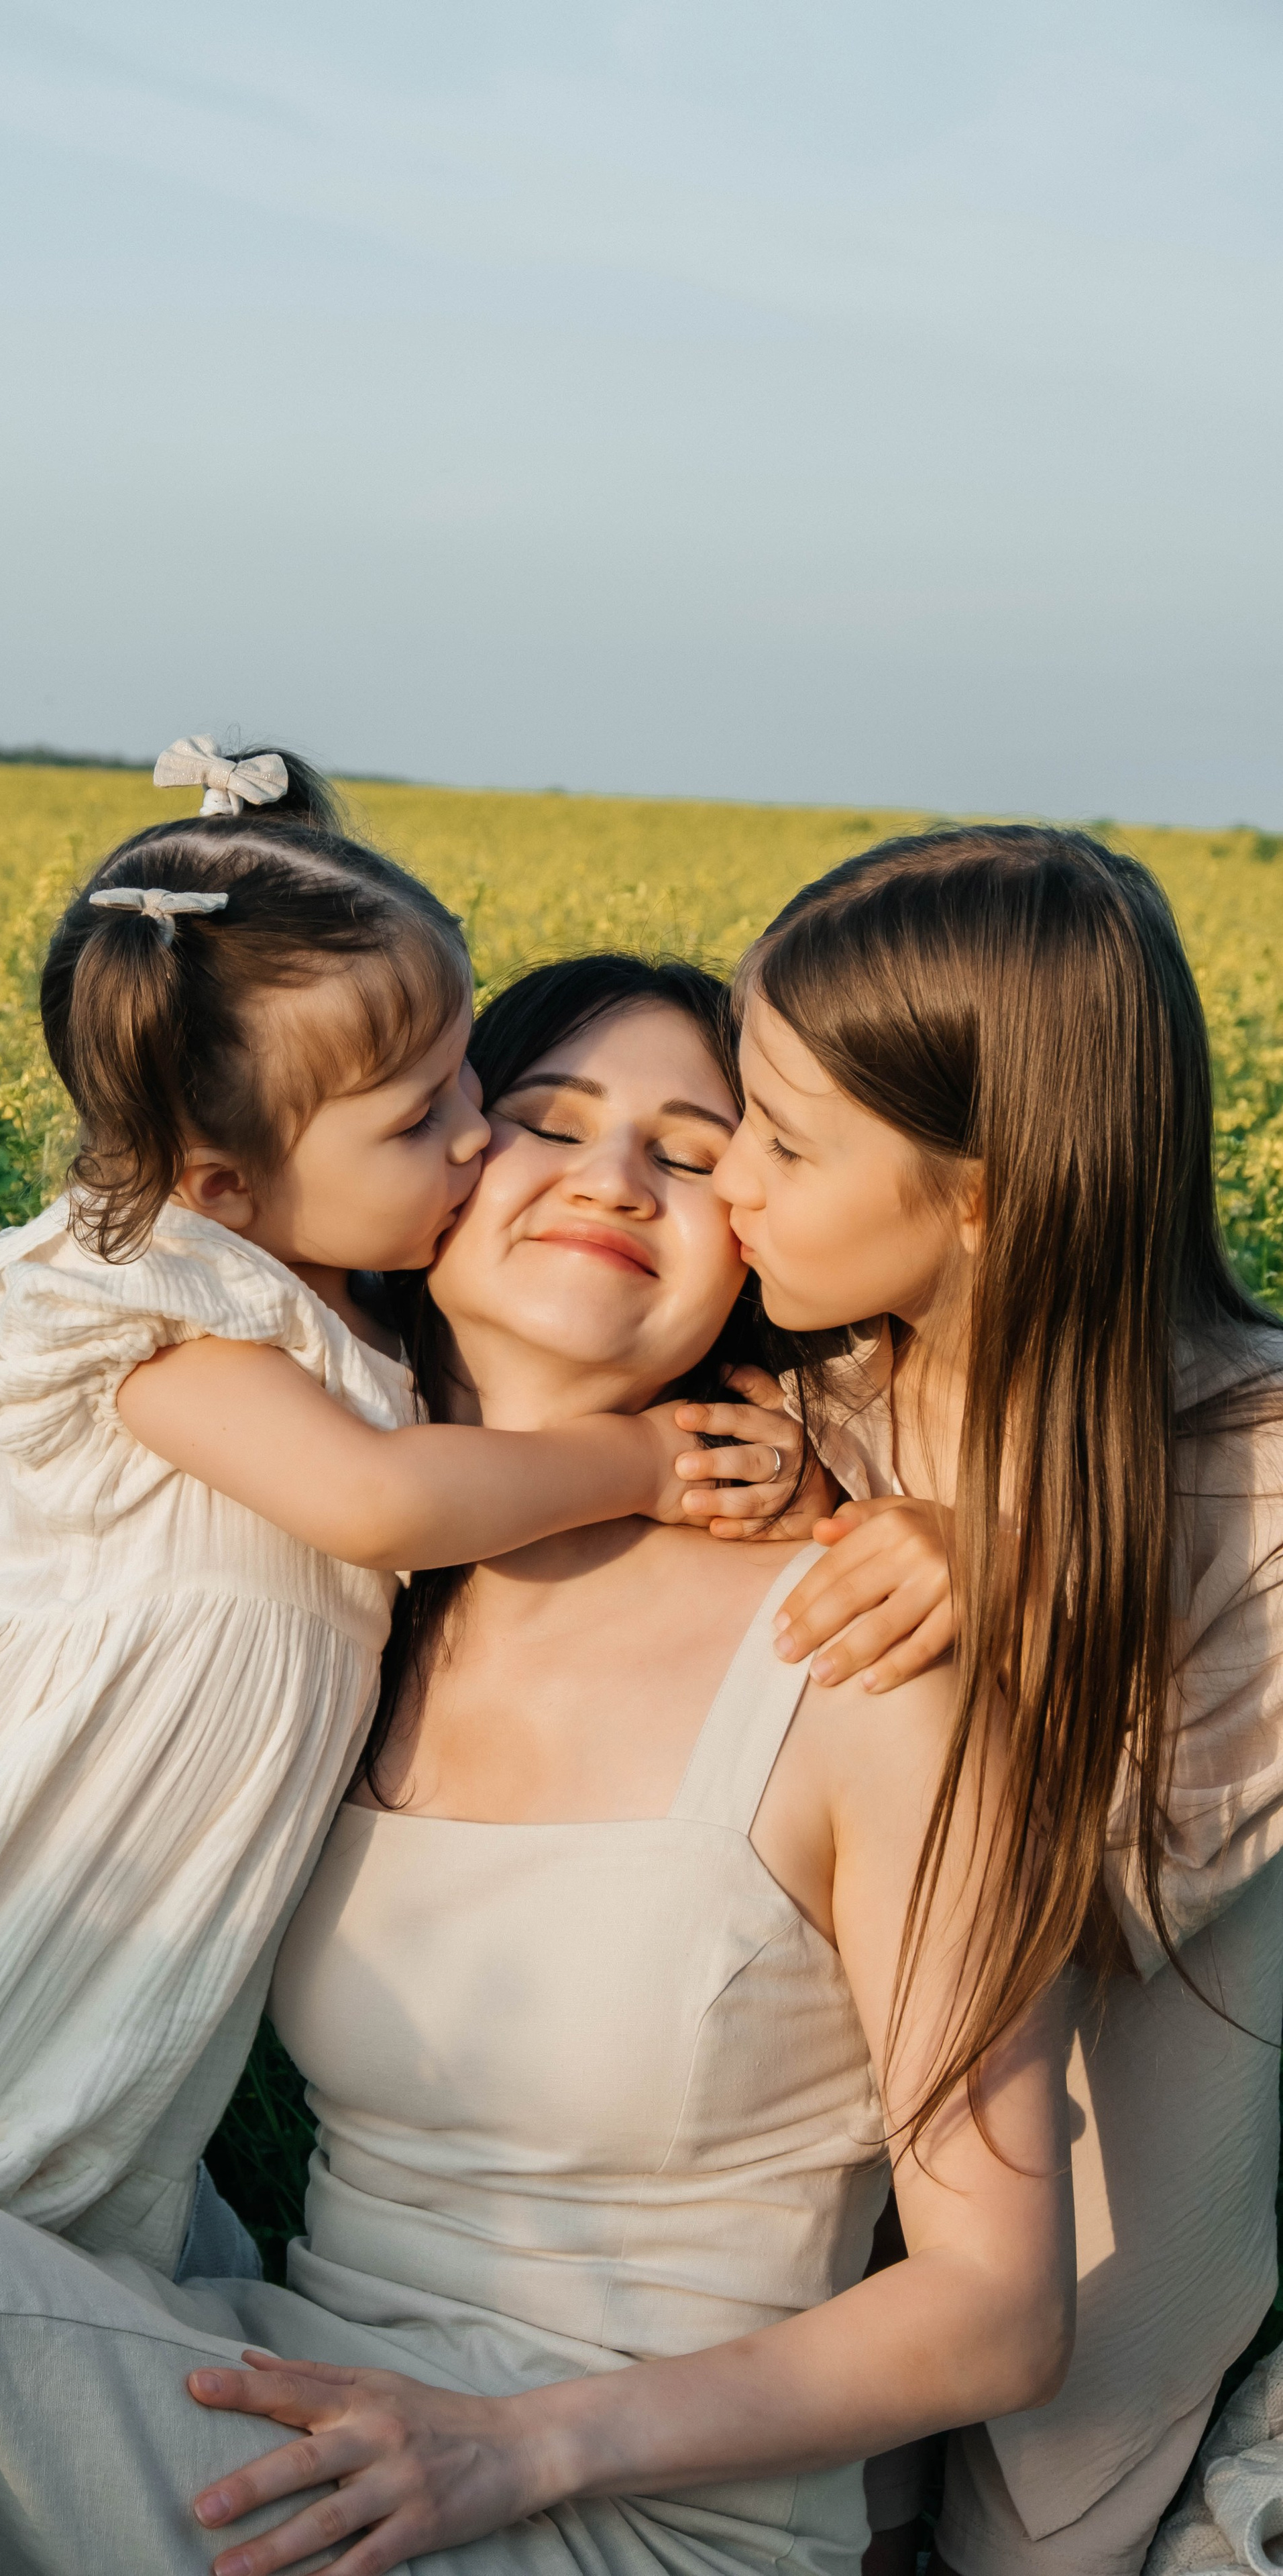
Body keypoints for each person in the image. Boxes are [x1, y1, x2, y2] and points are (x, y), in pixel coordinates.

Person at [0, 955, 1072, 2576]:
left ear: (761, 1244)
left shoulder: (855, 1655)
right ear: (426, 1173)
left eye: (694, 1153)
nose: (608, 1180)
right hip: (297, 2391)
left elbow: (994, 2314)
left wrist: (529, 2443)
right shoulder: (327, 1611)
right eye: (540, 1122)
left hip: (611, 2502)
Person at [0, 742, 724, 2262]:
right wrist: (642, 1462)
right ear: (218, 1183)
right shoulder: (170, 1309)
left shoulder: (360, 1328)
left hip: (92, 1911)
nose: (473, 1135)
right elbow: (375, 1502)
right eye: (419, 1116)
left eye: (463, 1082)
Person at [667, 825, 1283, 2576]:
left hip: (1094, 2318)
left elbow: (1104, 1899)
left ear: (984, 1192)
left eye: (785, 1141)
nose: (734, 1185)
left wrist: (1031, 1581)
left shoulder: (1252, 1474)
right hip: (830, 2243)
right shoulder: (824, 1373)